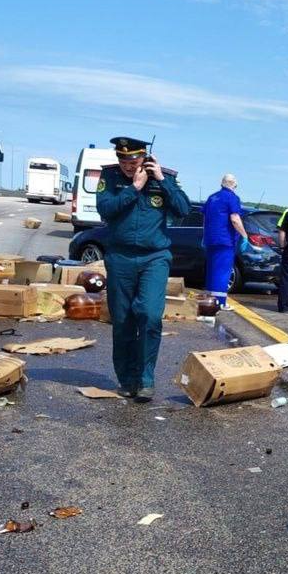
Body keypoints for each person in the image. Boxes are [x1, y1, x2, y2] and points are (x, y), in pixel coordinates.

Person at [95, 136, 191, 401]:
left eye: (133, 159)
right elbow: (105, 209)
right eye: (122, 159)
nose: (127, 164)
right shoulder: (111, 178)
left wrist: (160, 180)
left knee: (149, 315)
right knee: (123, 320)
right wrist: (133, 189)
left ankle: (146, 378)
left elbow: (183, 209)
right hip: (120, 258)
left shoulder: (164, 178)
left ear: (144, 157)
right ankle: (127, 379)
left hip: (154, 258)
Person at [201, 173, 246, 309]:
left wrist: (205, 236)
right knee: (223, 271)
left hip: (211, 239)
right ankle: (220, 302)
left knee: (212, 270)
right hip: (225, 240)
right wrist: (244, 235)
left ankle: (209, 300)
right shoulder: (232, 198)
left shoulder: (212, 197)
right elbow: (235, 219)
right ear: (234, 185)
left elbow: (205, 219)